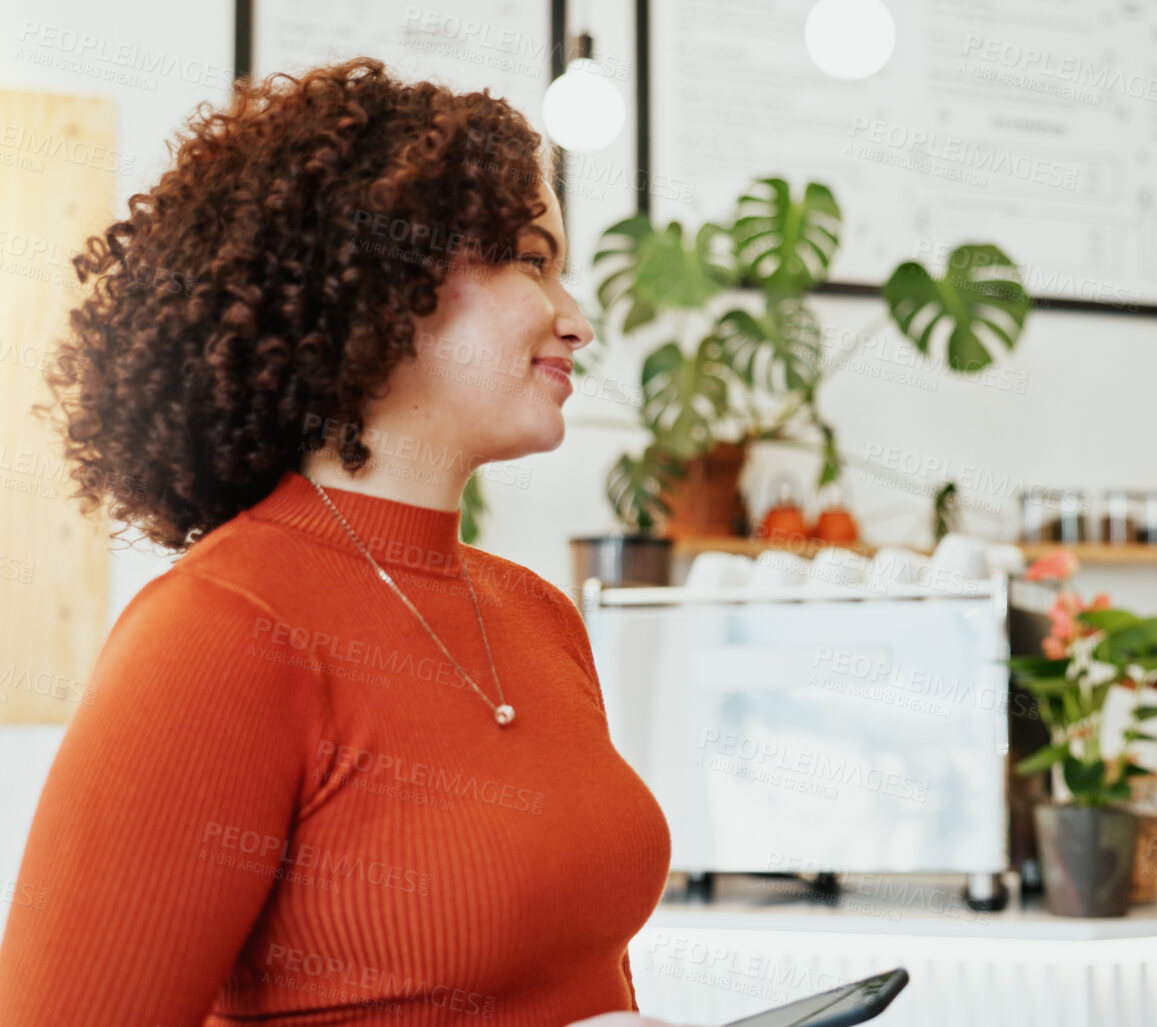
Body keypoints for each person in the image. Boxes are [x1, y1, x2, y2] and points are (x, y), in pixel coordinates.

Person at [0, 59, 681, 1026]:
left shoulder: (538, 615)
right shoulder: (221, 630)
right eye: (532, 259)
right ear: (382, 280)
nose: (575, 318)